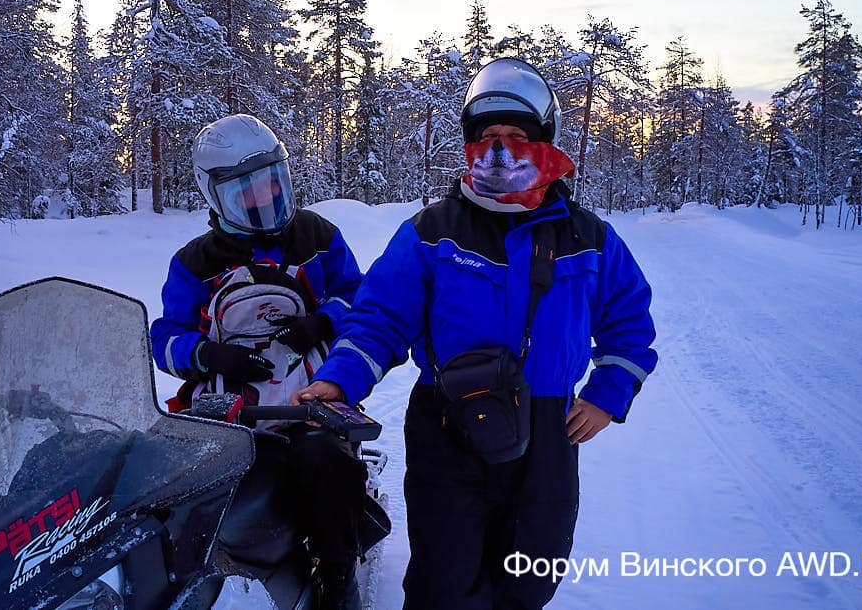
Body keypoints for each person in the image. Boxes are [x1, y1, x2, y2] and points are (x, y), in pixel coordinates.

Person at [298, 58, 657, 609]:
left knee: (531, 574)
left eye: (517, 135)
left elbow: (629, 325)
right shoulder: (431, 232)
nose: (500, 148)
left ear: (544, 142)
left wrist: (608, 394)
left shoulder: (591, 238)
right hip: (448, 423)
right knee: (446, 579)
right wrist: (338, 382)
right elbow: (378, 319)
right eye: (489, 135)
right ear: (470, 144)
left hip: (546, 429)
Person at [149, 114, 368, 609]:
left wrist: (323, 321)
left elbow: (359, 294)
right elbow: (163, 337)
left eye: (272, 184)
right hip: (225, 401)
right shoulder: (195, 263)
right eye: (245, 193)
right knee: (169, 480)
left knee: (325, 461)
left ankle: (337, 573)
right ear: (215, 196)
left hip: (305, 392)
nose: (264, 200)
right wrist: (204, 352)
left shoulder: (316, 236)